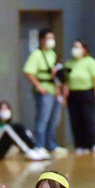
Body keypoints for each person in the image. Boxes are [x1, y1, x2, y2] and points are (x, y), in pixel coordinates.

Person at [23, 29, 68, 157]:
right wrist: (38, 86)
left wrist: (59, 91)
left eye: (52, 38)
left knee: (54, 119)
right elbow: (28, 71)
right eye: (48, 38)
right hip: (44, 91)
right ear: (41, 39)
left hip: (54, 90)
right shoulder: (36, 54)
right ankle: (39, 145)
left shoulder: (52, 54)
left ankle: (51, 144)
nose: (51, 41)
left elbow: (55, 76)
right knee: (42, 119)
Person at [63, 40, 95, 156]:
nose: (75, 49)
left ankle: (92, 143)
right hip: (73, 94)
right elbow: (65, 80)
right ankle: (80, 144)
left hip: (86, 92)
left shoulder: (90, 61)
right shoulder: (69, 63)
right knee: (75, 120)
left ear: (84, 49)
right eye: (73, 46)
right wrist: (64, 95)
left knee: (88, 118)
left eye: (77, 47)